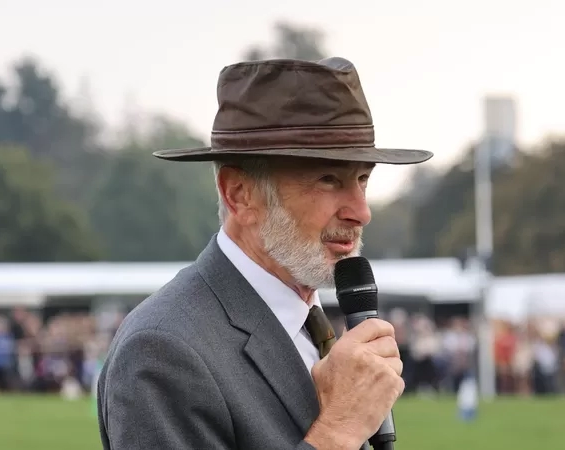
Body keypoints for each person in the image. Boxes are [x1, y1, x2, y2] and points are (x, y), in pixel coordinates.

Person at [96, 57, 433, 450]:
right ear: (240, 194)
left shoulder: (314, 329)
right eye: (329, 179)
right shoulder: (163, 349)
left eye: (362, 179)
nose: (361, 211)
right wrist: (339, 430)